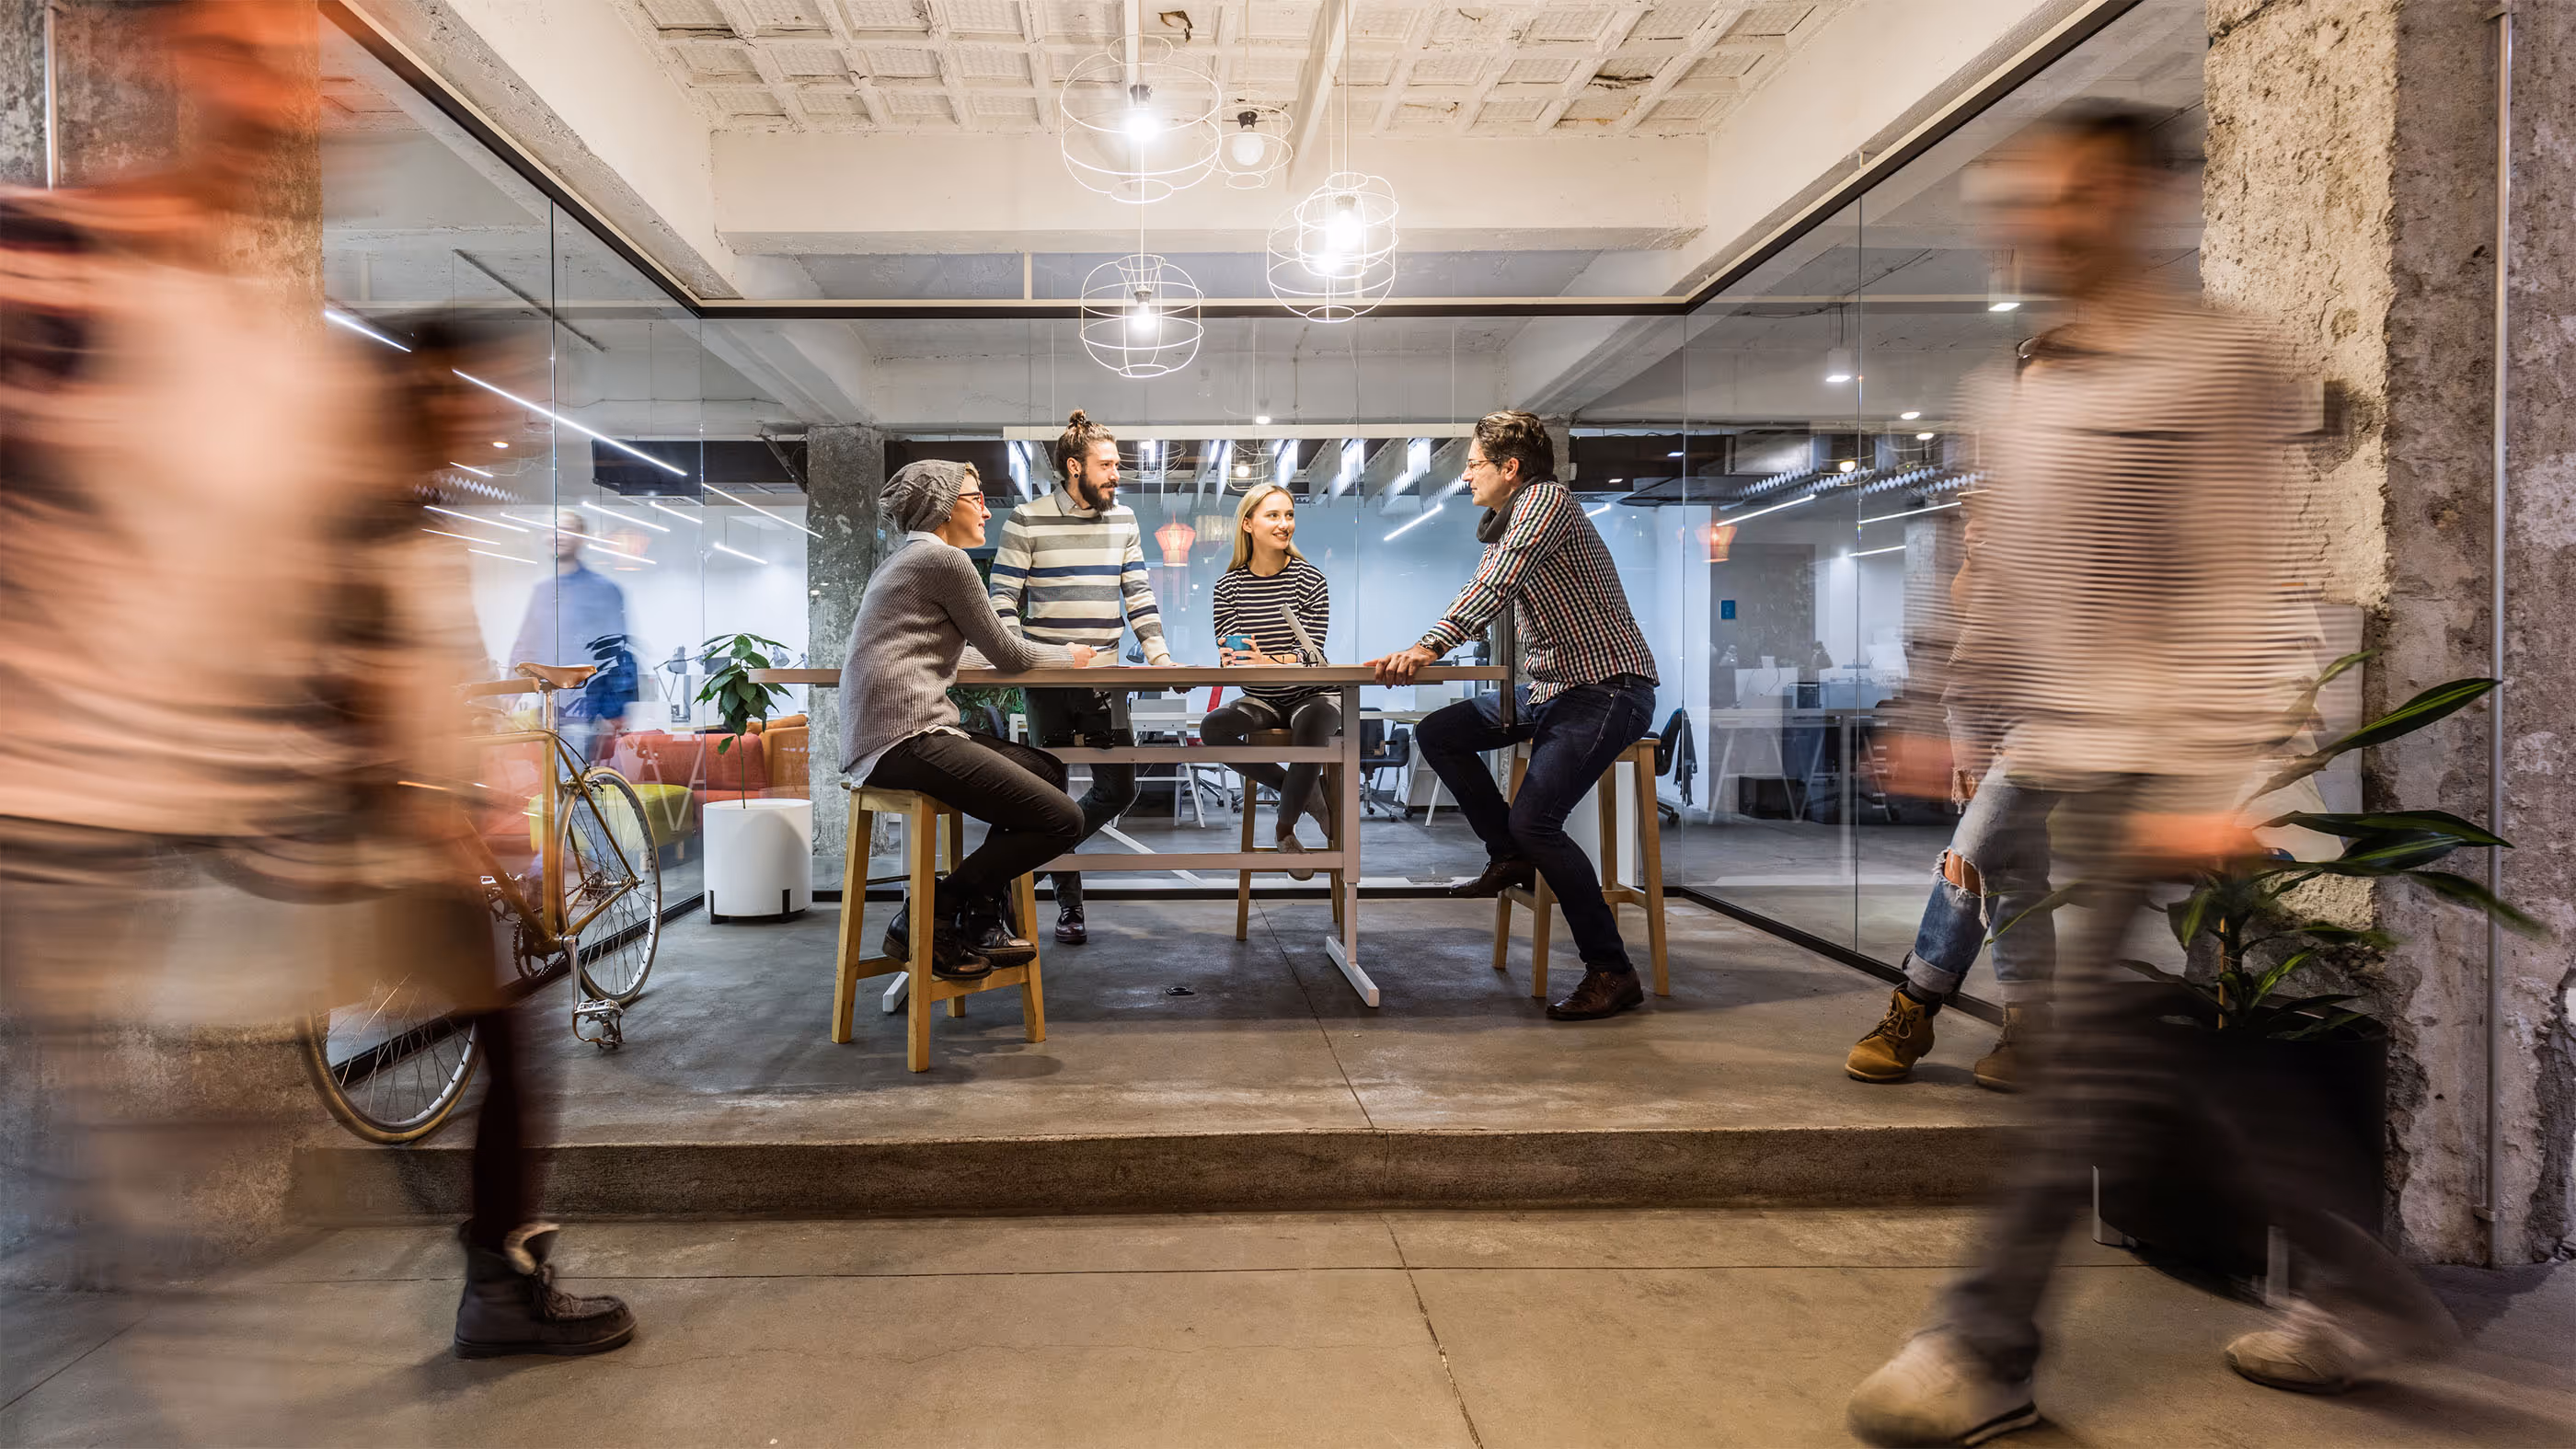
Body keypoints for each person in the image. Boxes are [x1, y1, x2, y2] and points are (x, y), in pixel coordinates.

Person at [0, 0, 631, 1361]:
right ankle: (471, 1266)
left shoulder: (278, 379)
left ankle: (492, 1265)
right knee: (152, 1148)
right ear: (159, 61)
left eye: (294, 65)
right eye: (242, 51)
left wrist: (415, 786)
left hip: (246, 803)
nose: (286, 97)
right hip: (91, 815)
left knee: (498, 1003)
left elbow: (296, 626)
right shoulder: (52, 265)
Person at [1846, 105, 2454, 1446]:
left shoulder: (2217, 367)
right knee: (2163, 1065)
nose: (2046, 220)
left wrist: (2230, 768)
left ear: (2140, 200)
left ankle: (1984, 1338)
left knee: (2089, 1059)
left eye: (2076, 194)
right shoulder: (2018, 387)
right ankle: (2361, 1285)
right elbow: (2004, 569)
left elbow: (2247, 577)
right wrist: (1943, 708)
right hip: (2051, 739)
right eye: (2032, 199)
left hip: (2156, 752)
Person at [1367, 411, 1661, 1022]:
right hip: (1552, 689)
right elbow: (1488, 578)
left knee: (1538, 821)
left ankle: (1612, 969)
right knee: (1439, 732)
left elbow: (1496, 582)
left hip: (1607, 689)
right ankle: (1508, 856)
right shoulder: (1512, 519)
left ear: (1511, 467)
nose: (1467, 474)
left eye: (1474, 463)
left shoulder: (1545, 501)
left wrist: (1428, 645)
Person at [843, 459, 1091, 977]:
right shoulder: (946, 563)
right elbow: (1012, 657)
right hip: (903, 738)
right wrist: (1071, 656)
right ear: (941, 506)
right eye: (976, 496)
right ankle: (934, 910)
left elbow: (959, 655)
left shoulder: (907, 561)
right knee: (1064, 819)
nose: (985, 507)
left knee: (1047, 770)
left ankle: (980, 918)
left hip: (896, 734)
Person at [1845, 512, 2056, 1093]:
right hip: (1984, 708)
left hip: (2054, 711)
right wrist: (1975, 555)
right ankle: (2031, 1029)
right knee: (2018, 875)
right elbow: (1971, 606)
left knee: (1970, 857)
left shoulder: (2091, 503)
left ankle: (1916, 1006)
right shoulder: (2022, 486)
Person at [987, 409, 1175, 944]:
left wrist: (1158, 657)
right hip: (1048, 678)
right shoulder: (1027, 519)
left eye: (1118, 464)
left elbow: (1138, 596)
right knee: (1050, 794)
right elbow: (1001, 603)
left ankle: (1012, 876)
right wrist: (1025, 656)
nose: (1118, 474)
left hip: (1107, 680)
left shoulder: (1125, 522)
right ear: (1075, 467)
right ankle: (1070, 909)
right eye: (1108, 464)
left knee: (1117, 789)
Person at [1201, 482, 1336, 880]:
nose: (1284, 524)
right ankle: (1306, 791)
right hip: (1261, 697)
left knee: (1313, 723)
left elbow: (1313, 654)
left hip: (1312, 695)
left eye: (1289, 515)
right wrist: (1232, 658)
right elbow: (1230, 649)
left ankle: (1284, 830)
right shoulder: (1228, 586)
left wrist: (1267, 658)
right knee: (1213, 728)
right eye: (1273, 515)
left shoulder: (1310, 580)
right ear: (1248, 524)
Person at [508, 508, 632, 759]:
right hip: (548, 709)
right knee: (554, 786)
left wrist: (616, 710)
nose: (557, 536)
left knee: (572, 786)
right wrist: (509, 694)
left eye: (565, 529)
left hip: (584, 710)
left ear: (581, 536)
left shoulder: (603, 589)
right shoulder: (543, 590)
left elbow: (617, 651)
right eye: (551, 530)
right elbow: (525, 644)